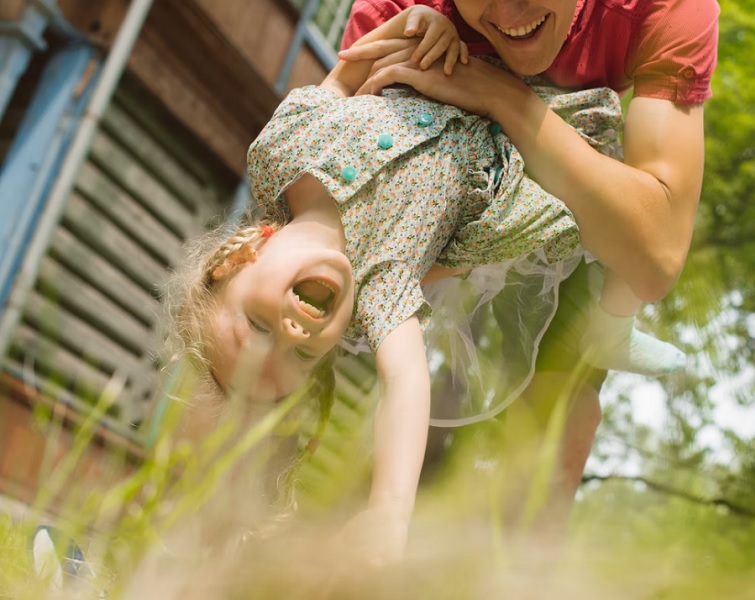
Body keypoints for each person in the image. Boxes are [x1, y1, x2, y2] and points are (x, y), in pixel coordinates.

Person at [162, 8, 690, 564]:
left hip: (445, 77)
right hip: (511, 168)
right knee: (611, 235)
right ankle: (613, 322)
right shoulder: (380, 290)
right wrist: (389, 510)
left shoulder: (276, 156)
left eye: (259, 324)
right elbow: (404, 387)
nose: (292, 330)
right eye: (303, 354)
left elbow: (346, 71)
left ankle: (612, 322)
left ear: (236, 261)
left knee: (633, 237)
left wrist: (415, 23)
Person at [338, 0, 720, 530]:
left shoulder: (666, 8)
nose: (509, 10)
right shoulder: (400, 10)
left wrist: (502, 97)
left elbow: (655, 258)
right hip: (440, 195)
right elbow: (337, 212)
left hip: (575, 186)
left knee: (567, 416)